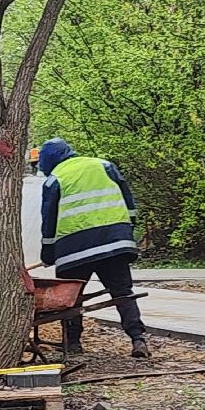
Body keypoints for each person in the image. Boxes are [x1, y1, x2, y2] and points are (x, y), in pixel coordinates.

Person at [37, 137, 149, 359]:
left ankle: (73, 344)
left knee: (71, 298)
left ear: (49, 161)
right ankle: (138, 339)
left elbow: (49, 221)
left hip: (75, 250)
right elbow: (128, 200)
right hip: (115, 244)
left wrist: (48, 254)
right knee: (123, 293)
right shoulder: (104, 166)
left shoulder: (55, 180)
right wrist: (128, 229)